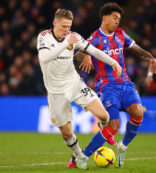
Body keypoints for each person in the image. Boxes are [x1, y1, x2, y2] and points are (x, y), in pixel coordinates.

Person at [73, 3, 156, 169]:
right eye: (114, 17)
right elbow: (78, 53)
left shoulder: (120, 34)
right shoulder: (94, 37)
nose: (117, 21)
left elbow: (138, 50)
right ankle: (83, 156)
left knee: (138, 114)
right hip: (107, 87)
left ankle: (123, 146)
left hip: (126, 85)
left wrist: (151, 58)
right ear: (104, 17)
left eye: (119, 18)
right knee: (113, 127)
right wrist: (85, 55)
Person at [36, 8, 122, 169]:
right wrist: (66, 44)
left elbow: (93, 50)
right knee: (67, 133)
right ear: (54, 23)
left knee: (104, 115)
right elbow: (44, 58)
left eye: (68, 26)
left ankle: (104, 128)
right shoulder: (44, 37)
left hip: (74, 83)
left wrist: (113, 62)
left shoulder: (73, 37)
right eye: (63, 27)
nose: (66, 30)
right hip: (55, 92)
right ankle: (78, 156)